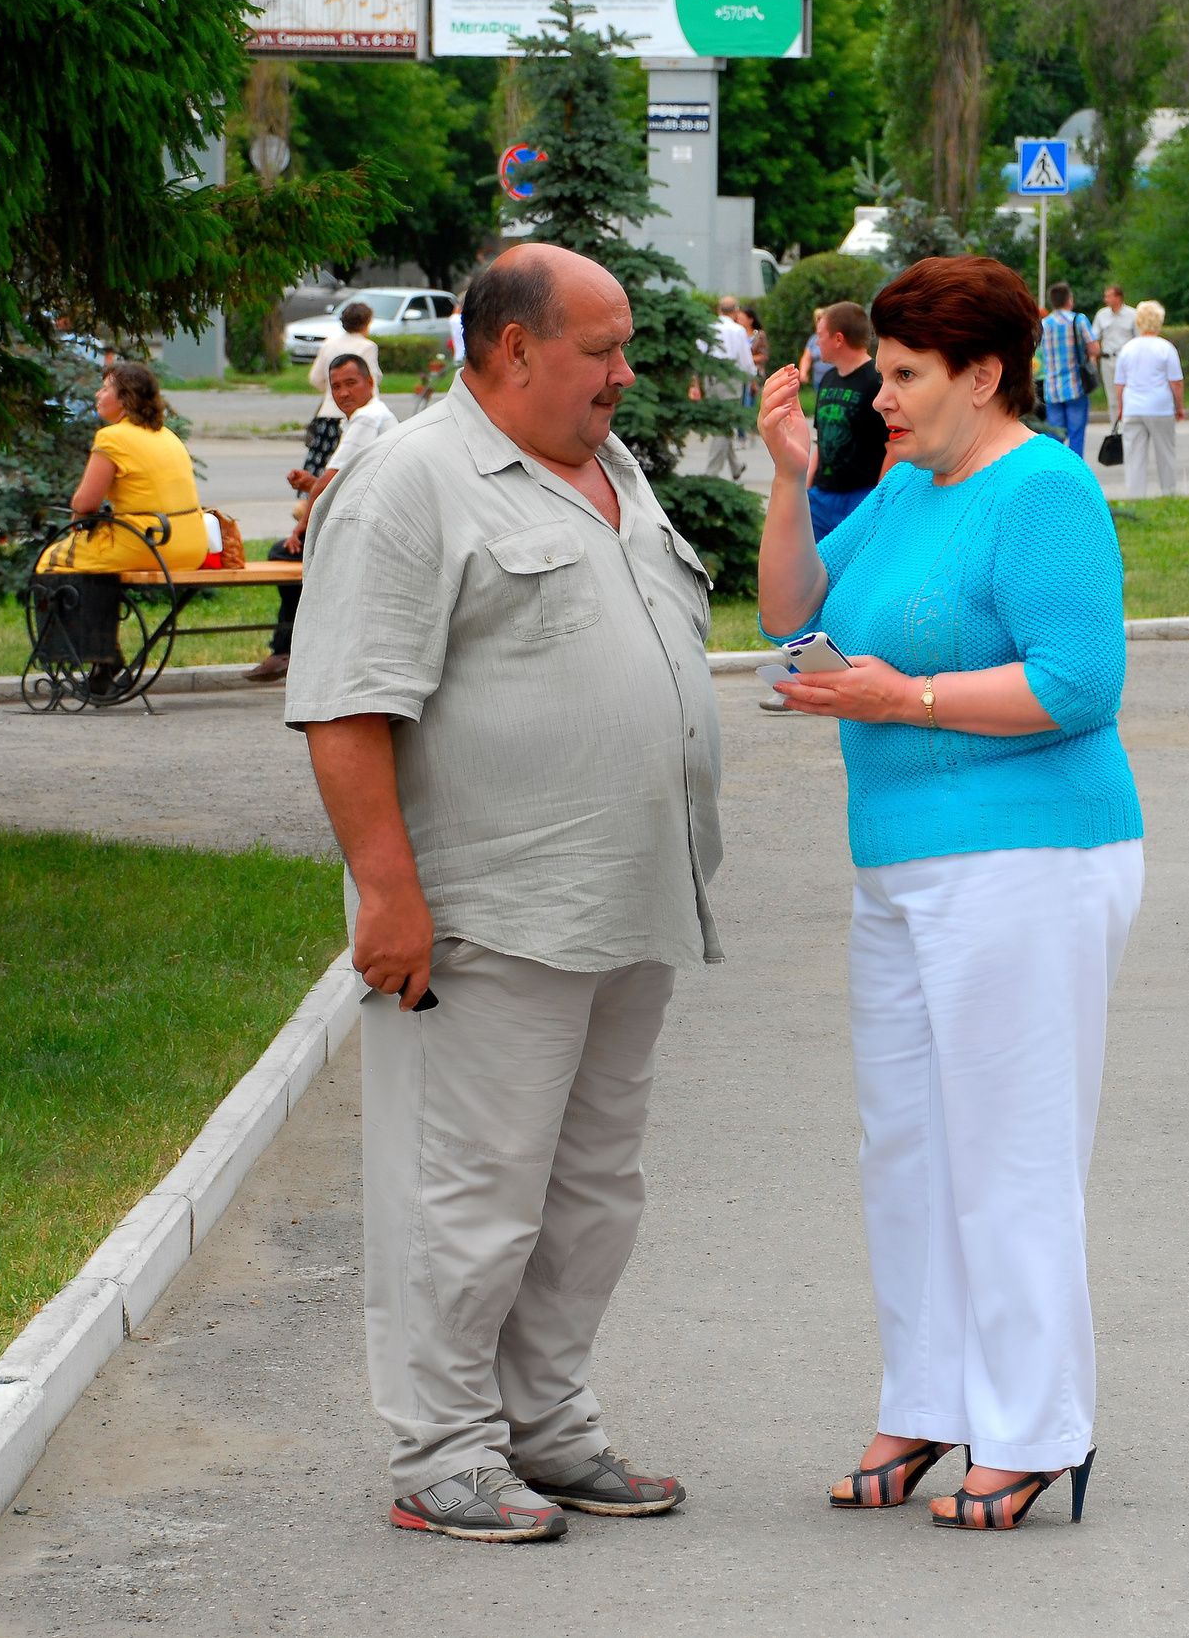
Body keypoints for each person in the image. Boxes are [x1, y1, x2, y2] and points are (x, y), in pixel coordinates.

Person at [286, 243, 716, 1545]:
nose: (624, 374)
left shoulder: (612, 470)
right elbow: (349, 702)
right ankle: (443, 1451)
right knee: (468, 1192)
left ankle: (547, 1423)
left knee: (592, 1189)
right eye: (602, 350)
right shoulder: (413, 483)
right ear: (513, 349)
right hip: (488, 913)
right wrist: (387, 895)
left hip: (629, 900)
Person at [751, 253, 1141, 1533]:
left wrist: (898, 697)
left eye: (908, 380)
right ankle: (925, 1398)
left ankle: (1033, 1427)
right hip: (903, 864)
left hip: (1030, 858)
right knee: (907, 1147)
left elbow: (1078, 683)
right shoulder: (912, 484)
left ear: (984, 374)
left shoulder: (1044, 491)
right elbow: (789, 606)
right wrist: (793, 481)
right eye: (882, 378)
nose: (883, 405)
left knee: (1010, 1148)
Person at [32, 362, 208, 692]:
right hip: (189, 543)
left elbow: (85, 504)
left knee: (51, 560)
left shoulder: (112, 437)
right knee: (95, 563)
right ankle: (103, 665)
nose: (98, 394)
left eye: (106, 389)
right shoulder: (165, 434)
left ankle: (98, 656)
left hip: (147, 542)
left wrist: (76, 519)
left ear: (124, 399)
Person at [248, 352, 397, 683]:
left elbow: (330, 481)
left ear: (370, 382)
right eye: (336, 387)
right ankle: (294, 647)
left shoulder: (367, 418)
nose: (343, 393)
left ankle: (289, 649)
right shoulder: (370, 416)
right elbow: (340, 484)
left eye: (351, 384)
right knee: (295, 565)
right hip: (368, 526)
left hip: (368, 534)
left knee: (283, 554)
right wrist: (310, 484)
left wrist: (300, 530)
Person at [805, 301, 890, 539]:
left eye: (821, 335)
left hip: (860, 496)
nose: (817, 341)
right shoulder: (828, 379)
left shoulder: (877, 380)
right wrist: (808, 487)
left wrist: (877, 500)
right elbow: (821, 440)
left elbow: (892, 445)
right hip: (821, 497)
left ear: (839, 339)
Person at [1110, 298, 1184, 498]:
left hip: (1133, 407)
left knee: (1134, 455)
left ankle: (1135, 496)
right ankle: (1169, 493)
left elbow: (1120, 384)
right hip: (1160, 407)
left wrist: (1121, 407)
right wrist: (1179, 406)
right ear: (1159, 322)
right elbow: (1175, 382)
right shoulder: (1166, 347)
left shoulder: (1128, 348)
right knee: (1165, 453)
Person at [305, 302, 384, 478]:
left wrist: (333, 391)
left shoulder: (329, 345)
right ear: (366, 323)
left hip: (329, 415)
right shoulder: (367, 346)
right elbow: (371, 378)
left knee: (323, 470)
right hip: (358, 416)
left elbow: (315, 378)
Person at [699, 295, 758, 478]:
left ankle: (735, 466)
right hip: (730, 377)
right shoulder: (738, 330)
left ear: (718, 310)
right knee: (724, 424)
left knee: (721, 421)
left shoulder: (708, 327)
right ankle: (711, 473)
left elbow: (699, 351)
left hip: (709, 375)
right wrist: (752, 378)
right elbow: (745, 360)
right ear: (735, 312)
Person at [1036, 281, 1096, 456]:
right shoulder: (1078, 320)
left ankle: (1056, 469)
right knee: (1076, 435)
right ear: (1069, 300)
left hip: (1052, 388)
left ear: (1052, 302)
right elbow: (1094, 348)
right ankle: (1075, 475)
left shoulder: (1044, 325)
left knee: (1055, 435)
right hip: (1076, 385)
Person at [1091, 284, 1136, 402]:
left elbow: (1138, 338)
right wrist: (1093, 356)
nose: (1106, 299)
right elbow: (1094, 337)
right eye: (1105, 296)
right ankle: (1114, 420)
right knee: (1112, 398)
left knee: (1128, 394)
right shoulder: (1101, 315)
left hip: (1127, 359)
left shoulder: (1133, 315)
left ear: (1119, 297)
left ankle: (1127, 420)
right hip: (1107, 360)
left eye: (1109, 296)